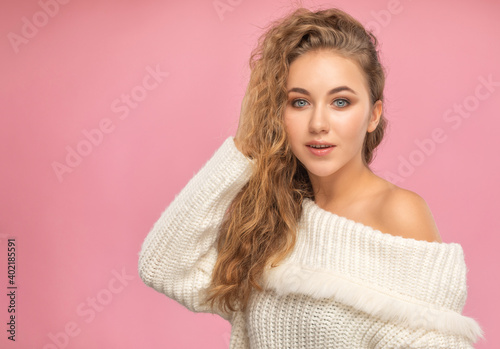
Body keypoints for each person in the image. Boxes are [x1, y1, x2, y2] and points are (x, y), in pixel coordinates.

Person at [138, 7, 483, 348]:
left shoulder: (397, 211)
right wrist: (247, 146)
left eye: (341, 102)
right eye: (299, 102)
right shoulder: (274, 218)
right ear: (278, 112)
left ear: (373, 115)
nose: (318, 123)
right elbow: (164, 268)